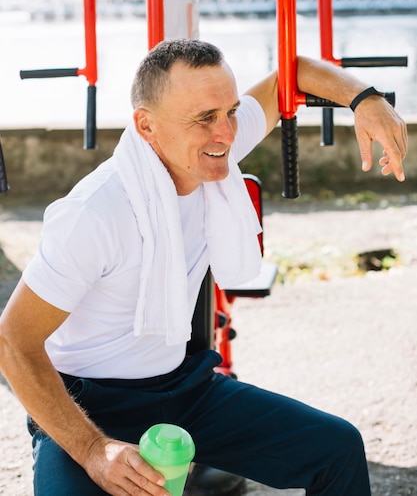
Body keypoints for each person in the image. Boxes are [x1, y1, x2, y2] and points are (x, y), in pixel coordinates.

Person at [0, 38, 407, 496]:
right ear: (146, 126)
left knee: (336, 448)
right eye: (204, 119)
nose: (228, 134)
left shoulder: (211, 150)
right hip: (88, 405)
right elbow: (14, 341)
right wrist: (95, 451)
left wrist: (365, 98)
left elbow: (287, 76)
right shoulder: (94, 214)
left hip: (184, 389)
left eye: (231, 111)